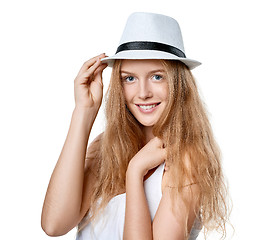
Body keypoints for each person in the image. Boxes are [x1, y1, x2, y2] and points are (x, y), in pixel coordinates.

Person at [41, 12, 230, 239]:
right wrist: (84, 112)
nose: (143, 93)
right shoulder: (106, 147)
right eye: (129, 78)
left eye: (157, 77)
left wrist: (135, 172)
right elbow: (54, 225)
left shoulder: (186, 159)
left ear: (179, 83)